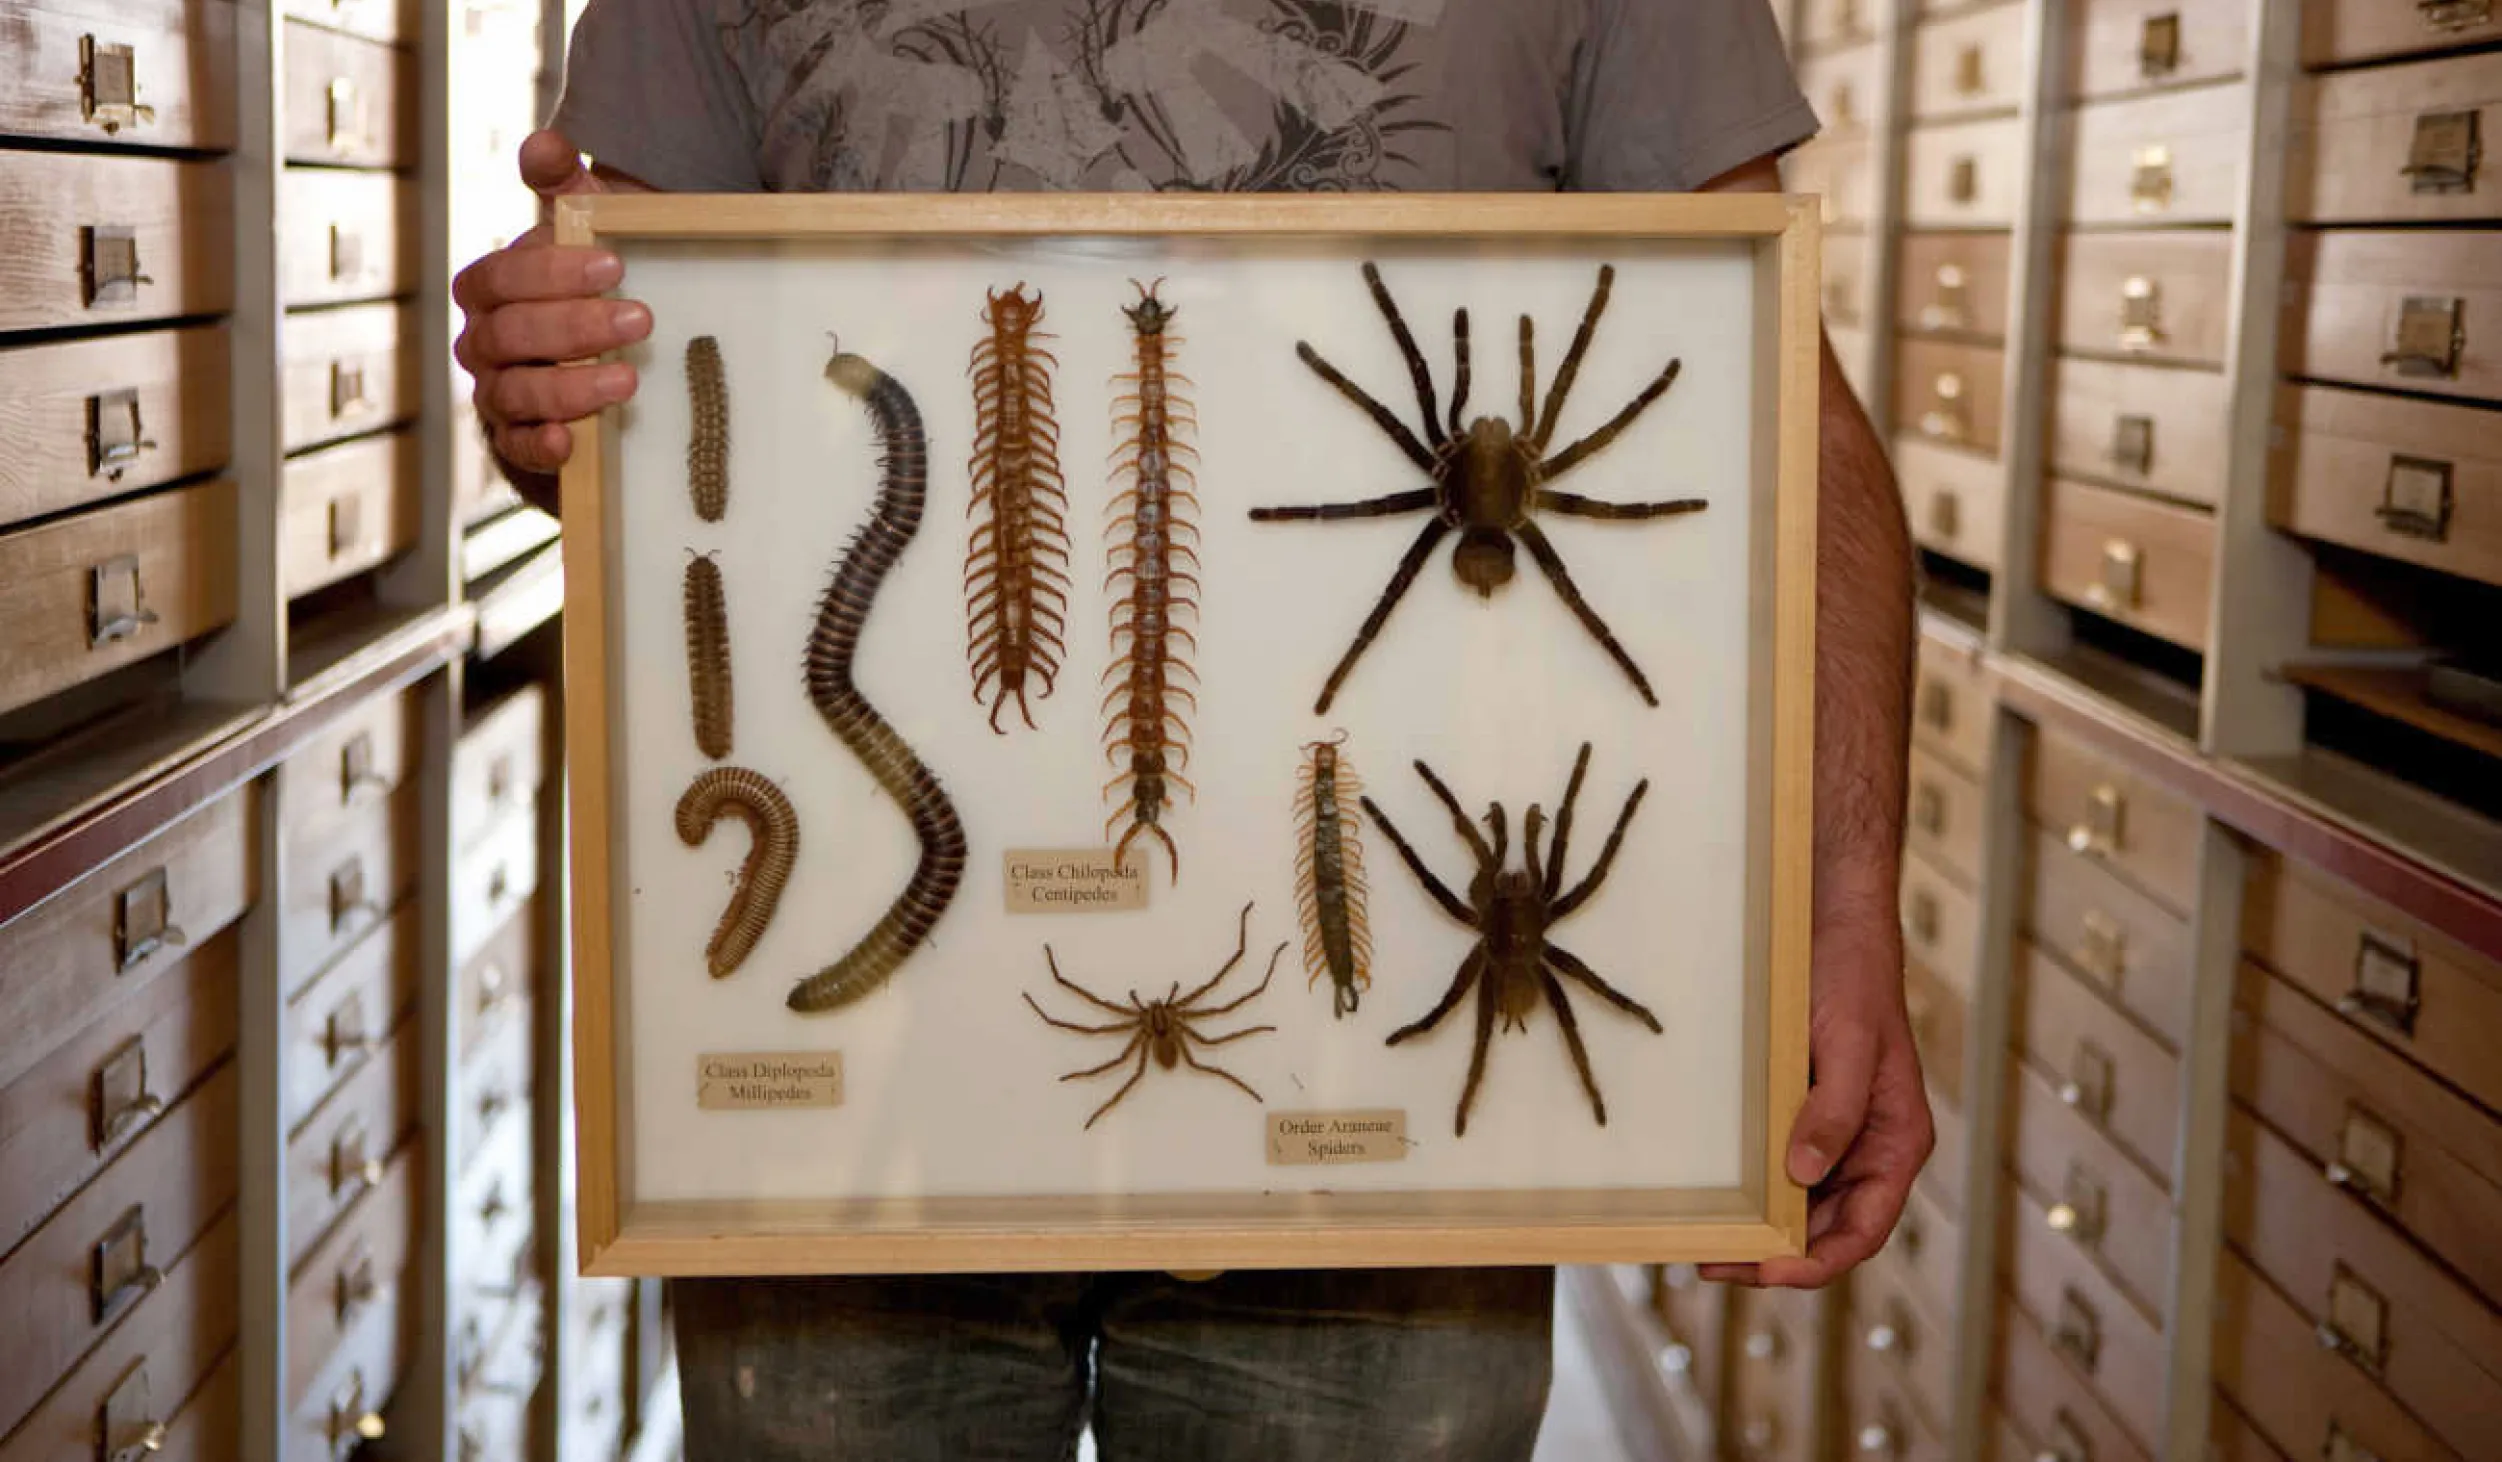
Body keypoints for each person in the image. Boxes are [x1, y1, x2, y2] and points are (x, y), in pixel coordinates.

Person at [456, 3, 1929, 1457]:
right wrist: (549, 395)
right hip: (845, 1069)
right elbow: (645, 418)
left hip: (1379, 1106)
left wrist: (1848, 898)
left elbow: (1767, 393)